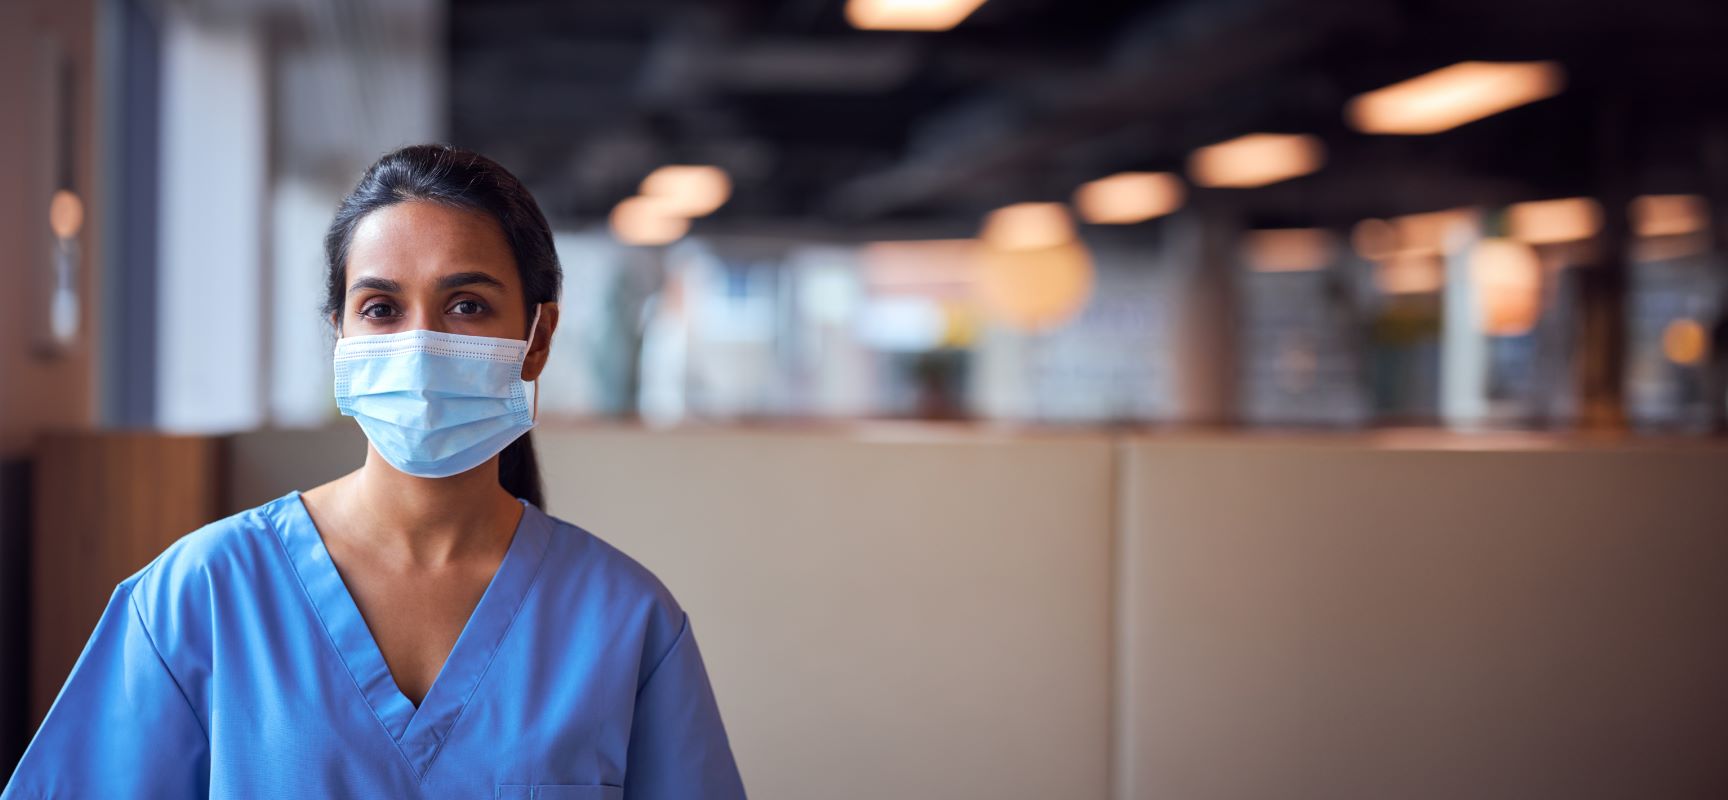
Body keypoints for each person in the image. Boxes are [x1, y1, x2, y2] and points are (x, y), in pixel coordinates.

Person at [2, 145, 747, 799]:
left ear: (537, 337)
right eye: (382, 308)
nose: (420, 345)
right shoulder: (201, 598)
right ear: (340, 337)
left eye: (465, 304)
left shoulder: (624, 622)